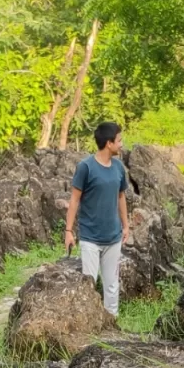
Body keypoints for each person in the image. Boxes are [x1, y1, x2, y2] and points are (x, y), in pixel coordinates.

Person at [64, 121, 129, 317]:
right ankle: (89, 323)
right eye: (119, 140)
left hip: (113, 237)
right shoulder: (86, 167)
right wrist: (68, 231)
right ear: (109, 143)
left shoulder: (118, 168)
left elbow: (121, 197)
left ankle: (112, 322)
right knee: (88, 284)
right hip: (90, 237)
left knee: (111, 285)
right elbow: (74, 200)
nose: (121, 144)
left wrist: (126, 226)